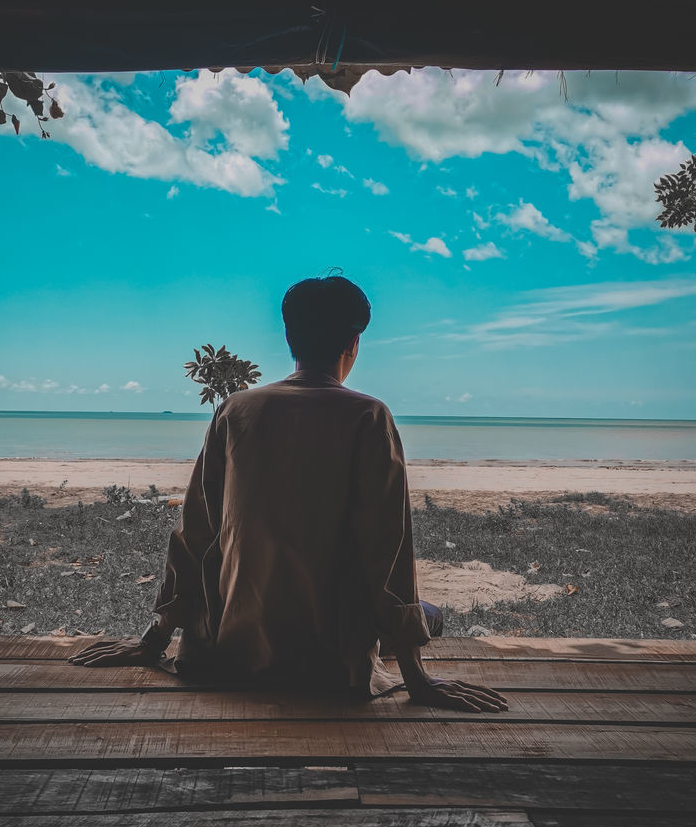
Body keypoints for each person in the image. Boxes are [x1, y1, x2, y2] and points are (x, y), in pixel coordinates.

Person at [70, 275, 509, 714]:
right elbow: (386, 550)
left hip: (233, 646)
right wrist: (417, 678)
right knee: (431, 615)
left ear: (289, 337)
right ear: (353, 344)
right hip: (331, 661)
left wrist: (154, 641)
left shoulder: (235, 409)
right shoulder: (369, 416)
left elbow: (194, 534)